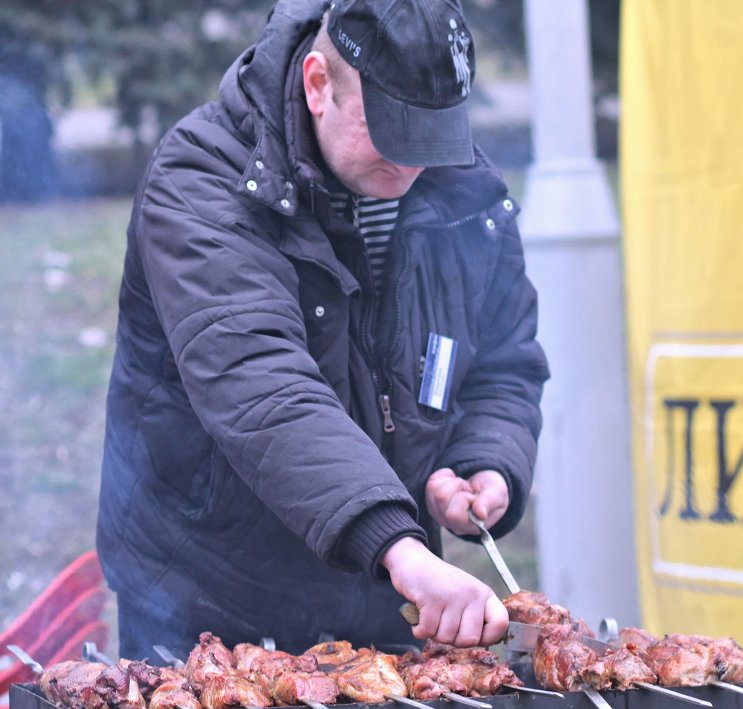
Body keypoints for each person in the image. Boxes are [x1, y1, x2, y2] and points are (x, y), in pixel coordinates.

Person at [97, 0, 549, 661]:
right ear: (317, 84)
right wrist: (399, 546)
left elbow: (503, 363)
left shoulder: (464, 194)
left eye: (434, 134)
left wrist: (487, 460)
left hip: (388, 597)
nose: (414, 164)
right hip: (210, 614)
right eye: (393, 130)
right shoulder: (200, 183)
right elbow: (264, 388)